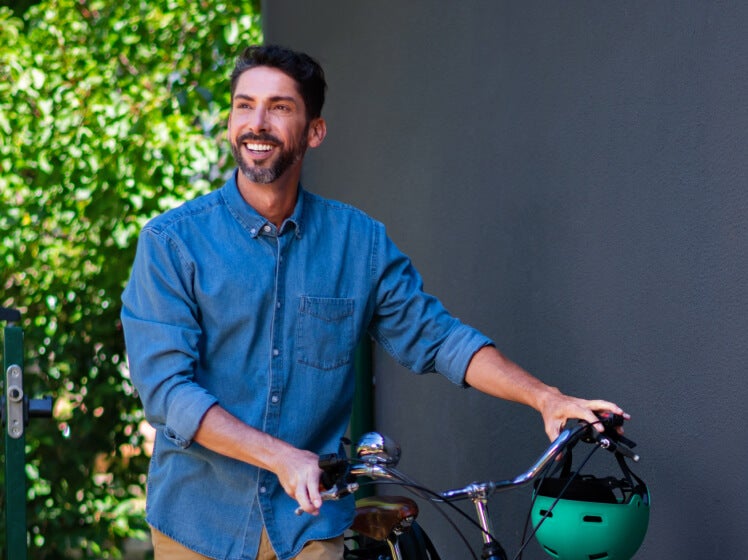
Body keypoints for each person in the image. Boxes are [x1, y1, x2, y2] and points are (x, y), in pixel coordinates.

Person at [120, 44, 627, 560]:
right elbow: (166, 391)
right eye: (244, 105)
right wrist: (281, 458)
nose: (257, 123)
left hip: (308, 531)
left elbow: (438, 338)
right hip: (199, 527)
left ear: (314, 131)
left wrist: (545, 397)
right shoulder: (172, 243)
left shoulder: (357, 243)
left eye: (279, 107)